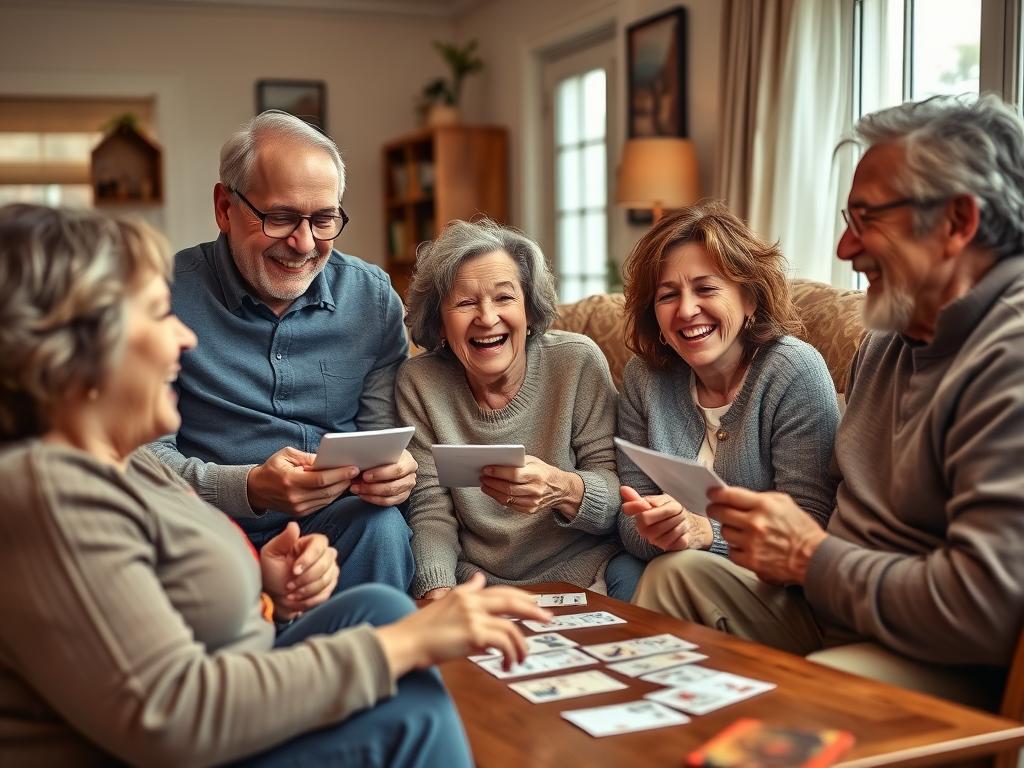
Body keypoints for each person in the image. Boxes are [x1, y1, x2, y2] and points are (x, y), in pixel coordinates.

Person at [0, 204, 552, 767]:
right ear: (74, 346)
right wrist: (409, 642)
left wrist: (267, 582)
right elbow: (172, 716)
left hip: (234, 679)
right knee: (409, 710)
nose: (185, 338)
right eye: (157, 314)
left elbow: (139, 583)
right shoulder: (47, 492)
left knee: (377, 607)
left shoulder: (122, 464)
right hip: (188, 740)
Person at [634, 94, 1024, 710]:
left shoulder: (1009, 359)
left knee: (804, 694)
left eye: (869, 218)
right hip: (827, 606)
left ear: (956, 222)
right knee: (675, 578)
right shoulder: (888, 343)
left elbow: (980, 609)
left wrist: (811, 556)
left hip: (934, 653)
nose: (845, 247)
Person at [148, 110, 415, 593]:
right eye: (281, 218)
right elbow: (135, 457)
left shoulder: (372, 299)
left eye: (324, 219)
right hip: (203, 528)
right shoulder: (160, 297)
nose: (304, 243)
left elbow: (385, 436)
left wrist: (396, 474)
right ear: (225, 208)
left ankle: (377, 663)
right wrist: (247, 486)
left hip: (333, 531)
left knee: (383, 528)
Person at [609, 201, 839, 599]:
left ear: (749, 298)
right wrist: (661, 530)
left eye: (706, 288)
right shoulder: (644, 378)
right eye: (667, 296)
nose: (686, 310)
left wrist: (704, 533)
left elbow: (811, 522)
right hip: (667, 570)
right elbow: (629, 517)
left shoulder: (792, 371)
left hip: (771, 587)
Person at [396, 219, 633, 599]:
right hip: (480, 584)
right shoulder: (420, 383)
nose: (487, 318)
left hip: (590, 569)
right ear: (440, 323)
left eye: (504, 298)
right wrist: (438, 592)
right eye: (465, 302)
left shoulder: (575, 362)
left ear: (530, 310)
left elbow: (617, 495)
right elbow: (430, 510)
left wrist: (562, 487)